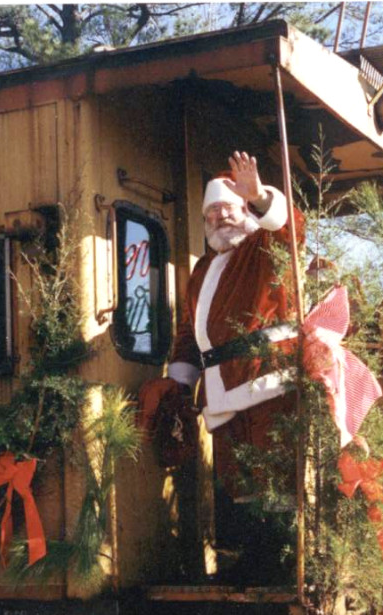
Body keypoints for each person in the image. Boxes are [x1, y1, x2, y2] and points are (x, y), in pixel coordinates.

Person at [139, 151, 303, 581]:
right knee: (237, 479)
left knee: (273, 474)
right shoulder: (203, 268)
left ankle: (283, 563)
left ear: (245, 212)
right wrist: (177, 382)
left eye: (228, 209)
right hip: (220, 388)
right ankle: (252, 561)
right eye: (212, 213)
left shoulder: (262, 247)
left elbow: (291, 231)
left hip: (265, 379)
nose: (219, 219)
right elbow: (187, 334)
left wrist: (262, 196)